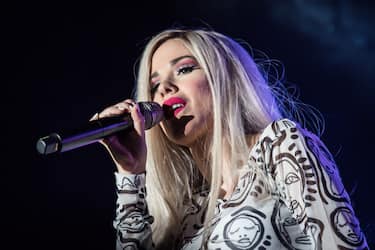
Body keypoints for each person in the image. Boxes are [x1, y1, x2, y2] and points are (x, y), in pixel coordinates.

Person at [94, 28, 368, 249]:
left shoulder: (279, 145)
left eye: (185, 69)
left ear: (226, 78)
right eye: (154, 86)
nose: (165, 88)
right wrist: (130, 174)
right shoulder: (186, 212)